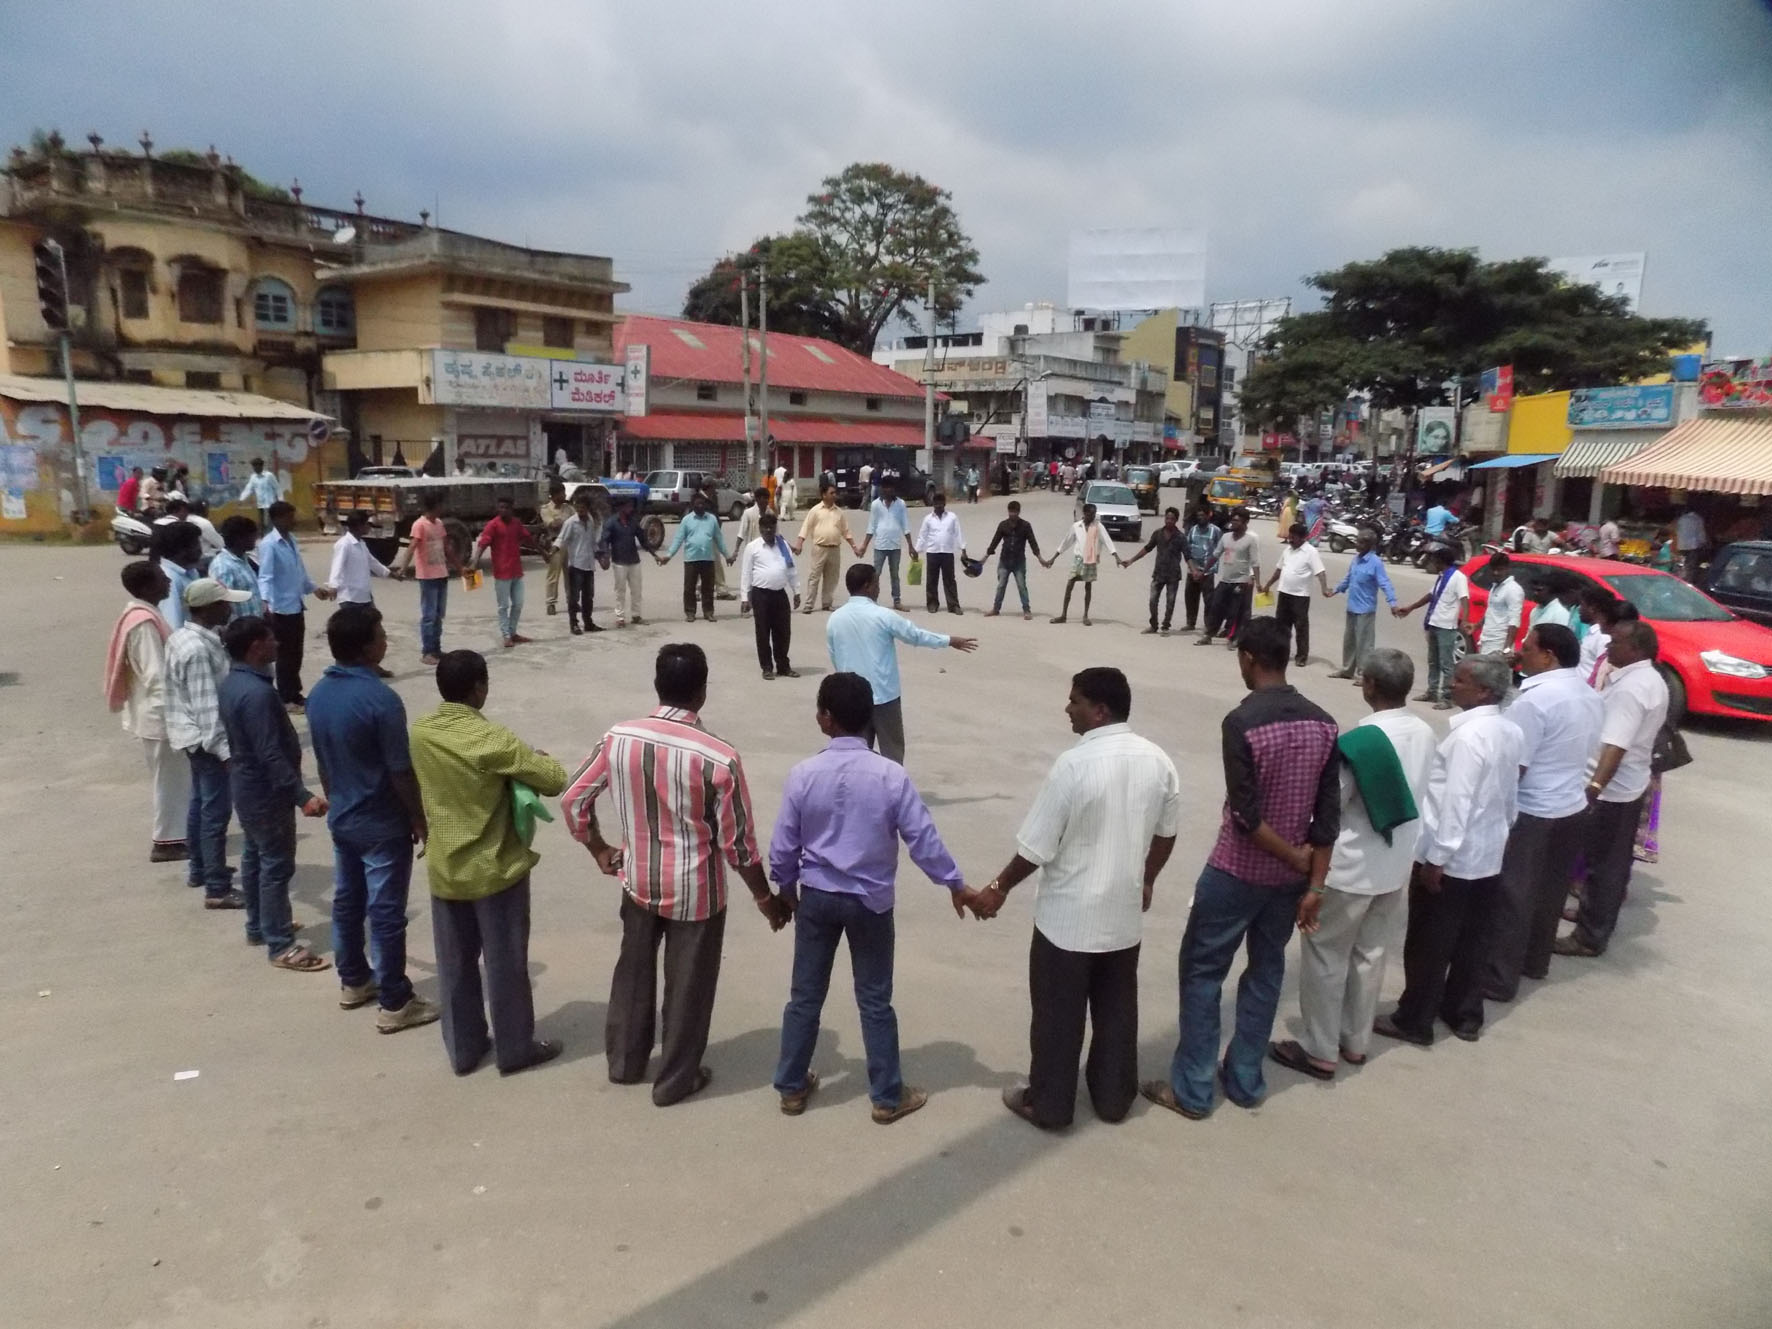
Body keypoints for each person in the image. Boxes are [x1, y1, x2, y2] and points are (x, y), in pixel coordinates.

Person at [562, 644, 790, 1105]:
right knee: (688, 986)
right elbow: (738, 844)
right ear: (702, 692)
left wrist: (599, 848)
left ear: (657, 685)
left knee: (633, 972)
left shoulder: (618, 738)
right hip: (696, 892)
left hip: (639, 879)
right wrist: (765, 898)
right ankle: (674, 1080)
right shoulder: (719, 758)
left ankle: (625, 1063)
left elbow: (574, 799)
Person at [966, 668, 1180, 1129]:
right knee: (1117, 1013)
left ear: (1099, 710)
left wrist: (997, 890)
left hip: (1066, 924)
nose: (1068, 708)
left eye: (1075, 701)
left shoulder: (1073, 765)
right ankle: (1113, 1099)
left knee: (1057, 1019)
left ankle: (1049, 1105)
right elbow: (1167, 832)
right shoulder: (1157, 760)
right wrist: (1147, 879)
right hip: (1122, 920)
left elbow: (1037, 847)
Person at [1143, 619, 1338, 1119]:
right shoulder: (1324, 722)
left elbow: (1247, 816)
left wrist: (1294, 858)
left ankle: (1192, 1089)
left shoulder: (1242, 722)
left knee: (1204, 971)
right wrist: (1313, 879)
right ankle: (1246, 1079)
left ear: (1249, 657)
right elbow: (1328, 817)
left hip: (1236, 871)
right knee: (1266, 970)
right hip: (1289, 883)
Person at [771, 672, 975, 1123]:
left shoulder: (803, 774)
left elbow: (783, 845)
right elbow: (922, 840)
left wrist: (784, 891)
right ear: (870, 719)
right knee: (875, 999)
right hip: (871, 902)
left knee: (805, 996)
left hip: (818, 897)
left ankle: (791, 1087)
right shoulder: (891, 775)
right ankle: (886, 1096)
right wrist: (955, 884)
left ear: (825, 719)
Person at [1270, 648, 1435, 1079]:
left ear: (1371, 685)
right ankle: (1354, 1040)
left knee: (1326, 956)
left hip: (1350, 867)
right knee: (1370, 954)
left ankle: (1320, 1048)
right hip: (1394, 865)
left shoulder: (1358, 743)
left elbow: (1330, 809)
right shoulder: (1423, 731)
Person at [410, 650, 569, 1075]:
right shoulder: (494, 740)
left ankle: (464, 1050)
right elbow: (553, 780)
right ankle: (515, 1049)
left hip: (446, 868)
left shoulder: (421, 732)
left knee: (455, 966)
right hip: (495, 869)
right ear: (479, 688)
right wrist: (542, 757)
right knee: (505, 965)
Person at [1372, 653, 1522, 1046]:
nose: (1452, 685)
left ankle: (1415, 1017)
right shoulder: (1509, 731)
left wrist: (1437, 858)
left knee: (1428, 942)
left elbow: (1457, 800)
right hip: (1486, 854)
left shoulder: (1469, 737)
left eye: (1460, 680)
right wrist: (1505, 829)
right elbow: (1510, 794)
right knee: (1474, 939)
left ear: (1484, 690)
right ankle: (1464, 1014)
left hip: (1452, 858)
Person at [306, 604, 439, 1034]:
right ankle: (396, 1001)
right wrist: (418, 818)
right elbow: (399, 769)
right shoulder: (381, 700)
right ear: (367, 647)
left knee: (348, 902)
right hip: (381, 823)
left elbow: (324, 761)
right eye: (381, 634)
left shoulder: (321, 694)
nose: (386, 641)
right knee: (385, 912)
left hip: (344, 816)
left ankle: (354, 979)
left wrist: (336, 797)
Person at [1481, 624, 1602, 1001]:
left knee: (1513, 895)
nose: (1521, 652)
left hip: (1534, 808)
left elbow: (1515, 766)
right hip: (1571, 806)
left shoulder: (1534, 701)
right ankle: (1535, 961)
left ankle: (1499, 979)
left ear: (1548, 656)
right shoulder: (1588, 694)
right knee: (1550, 892)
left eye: (1528, 648)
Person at [217, 615, 330, 971]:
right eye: (270, 640)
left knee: (255, 857)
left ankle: (259, 925)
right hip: (266, 793)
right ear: (255, 648)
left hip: (246, 787)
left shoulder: (233, 683)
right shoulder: (259, 694)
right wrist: (302, 796)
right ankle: (281, 943)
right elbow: (270, 753)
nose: (277, 645)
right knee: (276, 865)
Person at [1553, 621, 1670, 959]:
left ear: (1636, 649)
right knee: (1609, 863)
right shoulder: (1648, 679)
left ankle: (1589, 936)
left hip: (1611, 793)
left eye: (1615, 643)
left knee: (1602, 865)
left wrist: (1593, 788)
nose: (1607, 649)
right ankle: (1595, 919)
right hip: (1626, 787)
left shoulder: (1631, 689)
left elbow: (1615, 746)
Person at [826, 564, 977, 765]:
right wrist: (949, 640)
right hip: (884, 697)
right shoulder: (883, 616)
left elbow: (835, 657)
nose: (879, 589)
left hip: (852, 700)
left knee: (854, 755)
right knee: (893, 755)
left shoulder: (835, 619)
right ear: (867, 586)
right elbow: (914, 635)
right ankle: (892, 792)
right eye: (877, 583)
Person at [165, 578, 255, 908]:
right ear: (209, 607)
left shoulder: (186, 638)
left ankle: (200, 867)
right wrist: (226, 753)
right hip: (206, 741)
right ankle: (217, 887)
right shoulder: (198, 651)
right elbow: (207, 708)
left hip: (190, 736)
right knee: (215, 813)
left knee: (201, 803)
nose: (231, 607)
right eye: (225, 603)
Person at [105, 561, 189, 862]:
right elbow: (156, 676)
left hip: (158, 713)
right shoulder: (142, 622)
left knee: (177, 779)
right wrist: (177, 719)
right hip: (159, 716)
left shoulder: (145, 615)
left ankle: (177, 834)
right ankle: (166, 842)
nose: (168, 583)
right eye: (161, 579)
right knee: (169, 781)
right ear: (146, 587)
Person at [256, 500, 333, 709]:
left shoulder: (291, 541)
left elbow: (299, 573)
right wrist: (266, 604)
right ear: (276, 519)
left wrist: (314, 589)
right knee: (284, 655)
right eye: (289, 517)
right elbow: (266, 577)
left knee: (296, 653)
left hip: (295, 606)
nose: (293, 521)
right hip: (280, 609)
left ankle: (294, 692)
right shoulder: (269, 544)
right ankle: (285, 696)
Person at [1396, 546, 1469, 708]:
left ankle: (1447, 697)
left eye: (1435, 560)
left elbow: (1464, 599)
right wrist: (1411, 607)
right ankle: (1432, 691)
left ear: (1441, 561)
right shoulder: (1442, 577)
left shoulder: (1458, 577)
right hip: (1434, 622)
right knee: (1433, 661)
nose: (1432, 563)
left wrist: (1464, 620)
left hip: (1446, 625)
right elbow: (1431, 596)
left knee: (1446, 663)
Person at [392, 491, 455, 664]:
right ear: (434, 507)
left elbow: (446, 548)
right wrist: (403, 569)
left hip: (442, 574)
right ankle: (427, 651)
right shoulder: (419, 525)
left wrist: (460, 567)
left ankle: (436, 649)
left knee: (438, 615)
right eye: (440, 505)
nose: (442, 509)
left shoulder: (439, 523)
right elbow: (412, 547)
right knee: (428, 615)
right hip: (427, 577)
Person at [739, 510, 801, 679]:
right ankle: (767, 667)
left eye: (771, 527)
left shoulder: (783, 545)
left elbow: (791, 569)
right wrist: (745, 598)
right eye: (765, 527)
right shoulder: (753, 547)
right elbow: (746, 573)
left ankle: (783, 666)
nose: (768, 530)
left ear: (775, 528)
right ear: (760, 529)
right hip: (761, 596)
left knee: (783, 632)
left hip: (780, 595)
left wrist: (796, 591)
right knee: (763, 632)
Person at [655, 489, 728, 623]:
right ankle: (690, 612)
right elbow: (678, 539)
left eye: (702, 504)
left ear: (705, 505)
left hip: (708, 559)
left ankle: (708, 612)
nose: (700, 506)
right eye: (697, 504)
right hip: (691, 559)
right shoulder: (687, 520)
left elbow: (719, 539)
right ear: (693, 505)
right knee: (689, 588)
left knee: (708, 588)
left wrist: (727, 555)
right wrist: (668, 555)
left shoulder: (711, 519)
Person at [1262, 521, 1330, 665]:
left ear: (1302, 537)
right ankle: (1281, 653)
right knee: (1281, 626)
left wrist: (1324, 588)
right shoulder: (1287, 550)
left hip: (1300, 596)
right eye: (1290, 536)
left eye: (1293, 537)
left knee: (1301, 627)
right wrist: (1268, 584)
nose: (1290, 540)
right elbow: (1279, 570)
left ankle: (1301, 657)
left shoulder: (1311, 552)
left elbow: (1320, 572)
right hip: (1284, 593)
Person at [1045, 502, 1118, 626]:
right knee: (1070, 585)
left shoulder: (1098, 526)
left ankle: (1085, 615)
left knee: (1088, 587)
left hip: (1090, 560)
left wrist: (1116, 556)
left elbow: (1107, 540)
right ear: (1084, 514)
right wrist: (1053, 558)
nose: (1093, 517)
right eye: (1090, 514)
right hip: (1078, 560)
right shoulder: (1076, 526)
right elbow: (1066, 542)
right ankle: (1063, 615)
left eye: (1094, 514)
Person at [1196, 510, 1260, 647]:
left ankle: (1234, 638)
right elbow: (1215, 555)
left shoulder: (1250, 540)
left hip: (1241, 581)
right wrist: (1204, 571)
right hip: (1226, 580)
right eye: (1233, 520)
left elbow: (1255, 562)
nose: (1233, 523)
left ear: (1245, 523)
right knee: (1216, 606)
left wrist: (1256, 581)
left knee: (1236, 611)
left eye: (1237, 521)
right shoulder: (1226, 537)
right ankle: (1208, 635)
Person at [1123, 506, 1187, 635]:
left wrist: (1194, 569)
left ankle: (1165, 626)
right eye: (1167, 518)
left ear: (1176, 520)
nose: (1169, 521)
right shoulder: (1158, 533)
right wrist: (1131, 560)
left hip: (1173, 575)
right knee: (1153, 601)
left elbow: (1188, 555)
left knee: (1170, 602)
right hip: (1158, 573)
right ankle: (1153, 625)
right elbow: (1147, 548)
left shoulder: (1180, 537)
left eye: (1172, 519)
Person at [476, 497, 530, 647]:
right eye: (501, 507)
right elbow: (483, 544)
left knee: (518, 603)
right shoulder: (493, 525)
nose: (503, 510)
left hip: (516, 570)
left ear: (511, 509)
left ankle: (512, 632)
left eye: (506, 508)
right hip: (501, 572)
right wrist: (474, 561)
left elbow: (528, 538)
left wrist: (543, 552)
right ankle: (506, 635)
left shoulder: (516, 523)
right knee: (503, 606)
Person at [792, 484, 849, 614]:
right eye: (832, 493)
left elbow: (846, 531)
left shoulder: (839, 512)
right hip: (820, 548)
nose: (834, 495)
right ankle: (809, 604)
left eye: (835, 493)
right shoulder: (815, 510)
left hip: (834, 549)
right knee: (814, 576)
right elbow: (805, 527)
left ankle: (827, 603)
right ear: (824, 495)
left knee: (831, 578)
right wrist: (799, 543)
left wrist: (855, 547)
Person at [554, 489, 604, 635]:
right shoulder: (571, 522)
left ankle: (588, 622)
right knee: (574, 597)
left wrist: (600, 556)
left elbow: (593, 542)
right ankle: (574, 624)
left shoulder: (590, 520)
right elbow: (561, 539)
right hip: (575, 565)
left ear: (587, 508)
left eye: (583, 507)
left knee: (589, 597)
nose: (580, 510)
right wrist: (553, 551)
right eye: (578, 507)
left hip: (589, 565)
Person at [856, 477, 910, 610]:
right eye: (885, 487)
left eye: (890, 487)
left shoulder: (900, 504)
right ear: (881, 488)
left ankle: (897, 601)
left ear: (894, 489)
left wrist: (911, 545)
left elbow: (905, 525)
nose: (888, 490)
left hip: (895, 545)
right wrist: (864, 545)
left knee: (895, 574)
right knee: (876, 574)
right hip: (880, 545)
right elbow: (871, 526)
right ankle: (872, 600)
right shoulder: (875, 504)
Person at [983, 499, 1042, 619]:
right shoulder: (1003, 525)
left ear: (1019, 512)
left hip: (1019, 562)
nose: (1012, 514)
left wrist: (1040, 558)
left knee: (1021, 586)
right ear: (1008, 512)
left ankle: (1027, 610)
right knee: (1001, 586)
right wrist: (985, 557)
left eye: (1015, 512)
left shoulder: (1025, 526)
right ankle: (996, 608)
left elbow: (1033, 543)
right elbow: (995, 541)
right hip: (1004, 561)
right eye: (1011, 512)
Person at [913, 491, 968, 615]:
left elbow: (958, 533)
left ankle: (953, 605)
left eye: (941, 503)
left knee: (950, 580)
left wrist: (963, 549)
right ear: (933, 504)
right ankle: (932, 604)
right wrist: (917, 550)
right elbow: (922, 536)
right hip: (932, 553)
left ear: (944, 504)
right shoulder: (928, 519)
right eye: (936, 503)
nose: (938, 506)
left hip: (947, 552)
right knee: (932, 580)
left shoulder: (952, 517)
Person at [326, 509, 395, 606]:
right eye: (367, 523)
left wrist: (390, 574)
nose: (369, 526)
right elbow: (337, 566)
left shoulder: (361, 544)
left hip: (364, 595)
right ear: (359, 526)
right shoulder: (344, 544)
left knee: (374, 620)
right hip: (350, 598)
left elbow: (372, 562)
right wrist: (333, 586)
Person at [598, 497, 646, 627]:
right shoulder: (611, 522)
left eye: (631, 506)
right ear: (621, 507)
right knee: (620, 591)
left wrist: (654, 555)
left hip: (634, 561)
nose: (631, 509)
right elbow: (604, 541)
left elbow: (643, 540)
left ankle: (636, 615)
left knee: (636, 590)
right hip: (619, 561)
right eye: (628, 506)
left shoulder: (633, 522)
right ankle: (620, 617)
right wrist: (605, 555)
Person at [208, 516, 263, 619]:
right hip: (240, 630)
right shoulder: (223, 567)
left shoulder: (244, 560)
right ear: (240, 538)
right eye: (252, 535)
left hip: (254, 626)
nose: (255, 539)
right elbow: (222, 604)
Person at [154, 520, 203, 630]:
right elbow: (173, 624)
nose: (200, 549)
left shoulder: (191, 571)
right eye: (196, 544)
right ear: (181, 549)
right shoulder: (168, 579)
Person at [1476, 551, 1525, 655]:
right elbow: (1492, 611)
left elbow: (1514, 621)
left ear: (1507, 568)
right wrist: (1476, 626)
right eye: (1494, 569)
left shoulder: (1513, 589)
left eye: (1500, 569)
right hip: (1486, 640)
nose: (1496, 573)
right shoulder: (1496, 586)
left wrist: (1506, 649)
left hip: (1499, 644)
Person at [1181, 504, 1219, 632]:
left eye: (1203, 515)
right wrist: (1193, 569)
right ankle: (1190, 623)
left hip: (1207, 572)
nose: (1200, 518)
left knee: (1209, 600)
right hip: (1193, 570)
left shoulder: (1216, 531)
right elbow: (1187, 548)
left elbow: (1220, 550)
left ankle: (1208, 625)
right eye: (1198, 516)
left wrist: (1210, 568)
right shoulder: (1193, 530)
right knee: (1190, 597)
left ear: (1209, 515)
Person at [538, 482, 570, 617]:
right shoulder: (545, 509)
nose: (564, 495)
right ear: (554, 495)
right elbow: (553, 525)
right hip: (555, 543)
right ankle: (551, 603)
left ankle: (572, 600)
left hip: (569, 544)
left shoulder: (568, 507)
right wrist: (566, 521)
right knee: (553, 575)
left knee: (571, 575)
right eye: (561, 493)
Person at [239, 457, 282, 530]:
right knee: (261, 522)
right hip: (260, 504)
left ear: (261, 466)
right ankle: (263, 536)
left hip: (270, 503)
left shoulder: (269, 475)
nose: (255, 469)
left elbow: (277, 488)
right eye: (254, 467)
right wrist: (241, 498)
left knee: (270, 522)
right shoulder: (253, 477)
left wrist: (280, 500)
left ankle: (270, 535)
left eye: (256, 466)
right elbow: (249, 488)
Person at [1673, 504, 1708, 582]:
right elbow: (1701, 533)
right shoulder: (1698, 519)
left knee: (1681, 563)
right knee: (1691, 565)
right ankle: (1688, 580)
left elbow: (1677, 530)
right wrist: (1703, 543)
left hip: (1681, 545)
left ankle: (1679, 579)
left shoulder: (1681, 519)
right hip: (1693, 546)